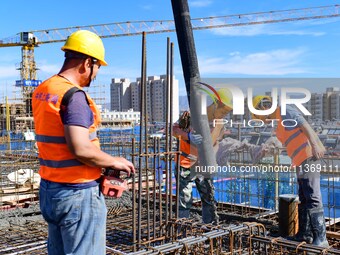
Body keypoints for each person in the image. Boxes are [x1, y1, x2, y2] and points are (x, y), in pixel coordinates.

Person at [32, 30, 135, 255]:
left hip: (51, 190)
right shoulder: (74, 96)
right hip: (77, 193)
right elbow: (80, 147)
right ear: (88, 63)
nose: (96, 74)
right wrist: (114, 161)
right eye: (97, 68)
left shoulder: (44, 90)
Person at [252, 95, 329, 248]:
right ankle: (305, 234)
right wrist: (266, 150)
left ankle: (321, 238)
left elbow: (304, 124)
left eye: (258, 115)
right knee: (305, 196)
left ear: (263, 107)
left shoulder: (284, 110)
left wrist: (314, 145)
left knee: (312, 195)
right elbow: (285, 141)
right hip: (300, 159)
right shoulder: (279, 122)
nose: (261, 120)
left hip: (308, 155)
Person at [173, 88, 233, 224]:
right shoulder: (191, 115)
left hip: (203, 166)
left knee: (208, 197)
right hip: (185, 164)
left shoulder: (219, 123)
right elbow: (174, 130)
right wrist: (187, 136)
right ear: (215, 104)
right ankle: (182, 228)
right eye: (223, 111)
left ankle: (209, 226)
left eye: (227, 112)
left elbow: (213, 143)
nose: (224, 115)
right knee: (185, 199)